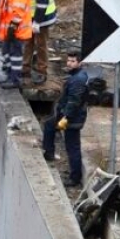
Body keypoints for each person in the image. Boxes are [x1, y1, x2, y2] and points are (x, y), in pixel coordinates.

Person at [42, 50, 88, 187]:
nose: (69, 63)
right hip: (68, 115)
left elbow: (74, 101)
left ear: (79, 62)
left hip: (73, 118)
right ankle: (49, 152)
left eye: (73, 61)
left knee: (72, 147)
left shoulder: (78, 80)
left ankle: (75, 178)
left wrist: (66, 117)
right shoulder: (75, 76)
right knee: (49, 126)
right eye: (68, 60)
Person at [0, 0, 34, 89]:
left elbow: (18, 10)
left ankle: (15, 79)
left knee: (15, 55)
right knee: (7, 52)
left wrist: (12, 27)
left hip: (17, 29)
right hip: (10, 28)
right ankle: (9, 75)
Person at [21, 0, 57, 85]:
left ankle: (42, 72)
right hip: (30, 16)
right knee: (27, 42)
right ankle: (25, 68)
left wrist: (37, 22)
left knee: (41, 44)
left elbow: (42, 1)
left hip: (42, 18)